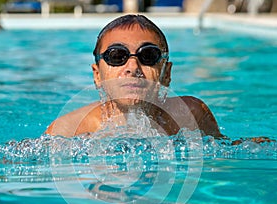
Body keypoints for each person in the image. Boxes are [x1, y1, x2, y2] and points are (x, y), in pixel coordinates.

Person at [44, 15, 224, 138]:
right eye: (117, 56)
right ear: (97, 75)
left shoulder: (191, 115)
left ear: (166, 74)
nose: (132, 67)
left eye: (148, 56)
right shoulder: (66, 131)